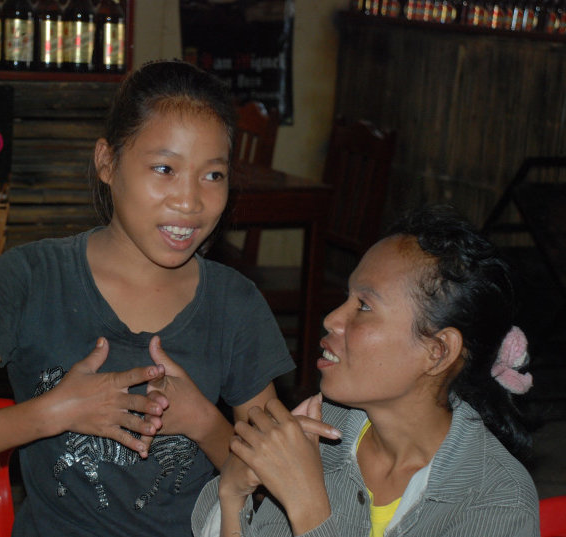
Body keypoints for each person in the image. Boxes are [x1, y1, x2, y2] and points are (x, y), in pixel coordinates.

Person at [0, 60, 294, 537]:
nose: (190, 201)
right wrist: (54, 411)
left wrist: (204, 423)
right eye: (164, 169)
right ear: (107, 162)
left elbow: (279, 490)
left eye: (213, 175)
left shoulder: (235, 304)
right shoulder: (29, 279)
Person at [193, 205, 540, 537]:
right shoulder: (318, 434)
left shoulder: (497, 502)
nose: (332, 319)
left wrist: (307, 506)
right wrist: (233, 494)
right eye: (347, 297)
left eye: (364, 306)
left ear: (437, 352)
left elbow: (306, 508)